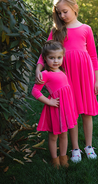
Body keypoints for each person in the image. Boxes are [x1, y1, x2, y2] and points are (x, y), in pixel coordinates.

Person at [35, 0, 98, 163]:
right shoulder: (57, 30)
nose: (62, 15)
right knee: (71, 111)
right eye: (59, 12)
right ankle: (75, 148)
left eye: (65, 11)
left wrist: (97, 80)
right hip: (67, 76)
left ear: (75, 7)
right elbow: (44, 53)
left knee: (87, 111)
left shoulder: (86, 29)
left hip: (85, 75)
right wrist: (38, 69)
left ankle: (88, 146)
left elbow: (93, 56)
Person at [31, 40, 78, 169]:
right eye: (52, 58)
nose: (56, 61)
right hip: (55, 109)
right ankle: (54, 160)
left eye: (59, 57)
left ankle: (63, 157)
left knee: (64, 134)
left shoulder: (62, 71)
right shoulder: (45, 74)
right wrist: (49, 101)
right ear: (45, 59)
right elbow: (34, 91)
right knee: (53, 136)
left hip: (65, 108)